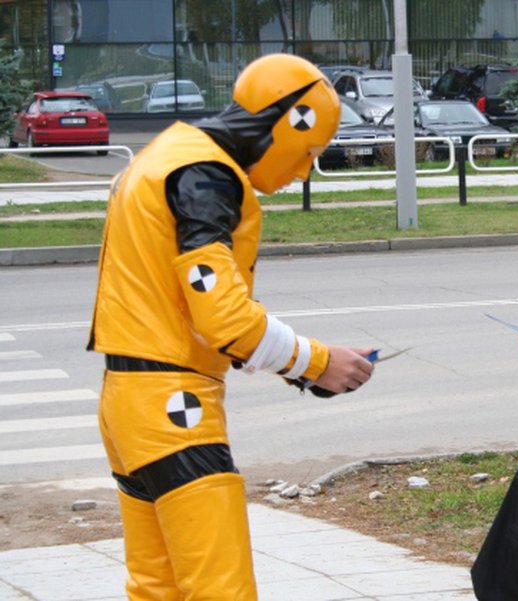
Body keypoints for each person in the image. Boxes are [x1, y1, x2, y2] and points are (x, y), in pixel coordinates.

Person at [87, 53, 375, 600]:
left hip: (127, 402)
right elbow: (223, 318)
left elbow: (191, 305)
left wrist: (304, 370)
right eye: (310, 152)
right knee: (221, 590)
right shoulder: (206, 175)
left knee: (157, 586)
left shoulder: (166, 154)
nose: (304, 170)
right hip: (175, 411)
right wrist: (317, 362)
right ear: (293, 123)